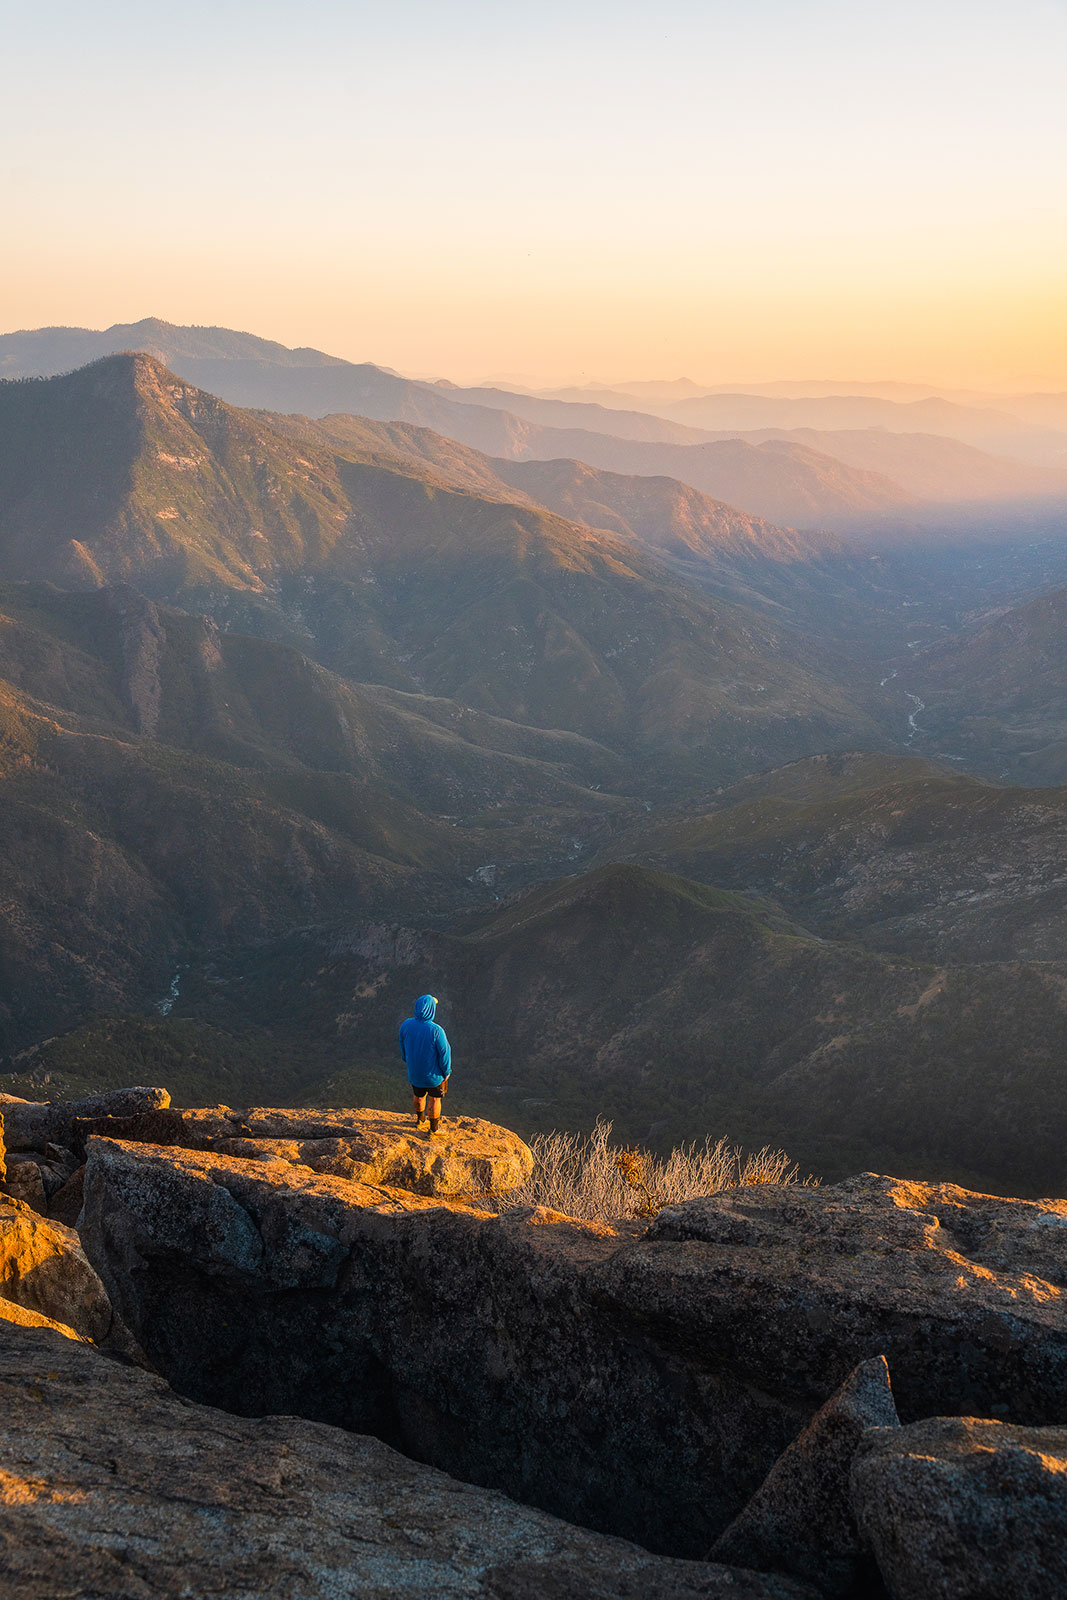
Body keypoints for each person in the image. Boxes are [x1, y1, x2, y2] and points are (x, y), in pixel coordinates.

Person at [398, 993, 452, 1136]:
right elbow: (445, 1053)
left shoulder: (406, 1025)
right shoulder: (436, 1030)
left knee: (418, 1095)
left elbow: (402, 1046)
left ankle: (420, 1120)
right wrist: (446, 1071)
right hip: (433, 1075)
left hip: (414, 1072)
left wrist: (407, 1061)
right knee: (434, 1099)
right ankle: (434, 1129)